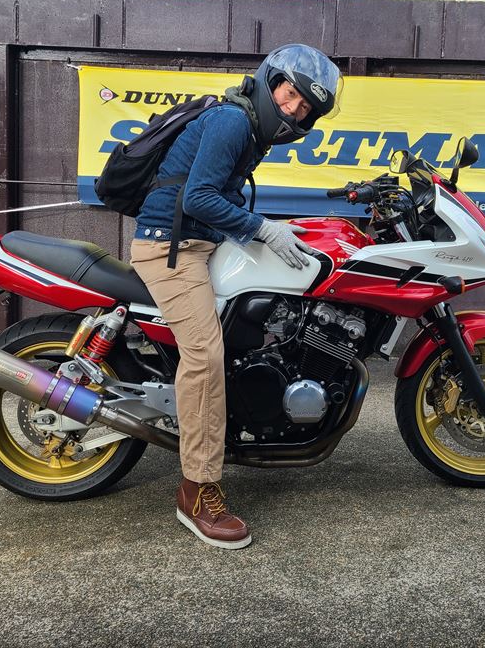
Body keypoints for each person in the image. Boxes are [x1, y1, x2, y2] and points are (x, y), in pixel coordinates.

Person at [129, 44, 343, 549]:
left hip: (200, 245)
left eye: (305, 108)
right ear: (271, 83)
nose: (293, 110)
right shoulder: (231, 121)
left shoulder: (248, 131)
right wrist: (262, 228)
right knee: (205, 356)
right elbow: (198, 197)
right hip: (171, 249)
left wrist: (269, 227)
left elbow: (217, 200)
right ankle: (196, 490)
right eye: (290, 95)